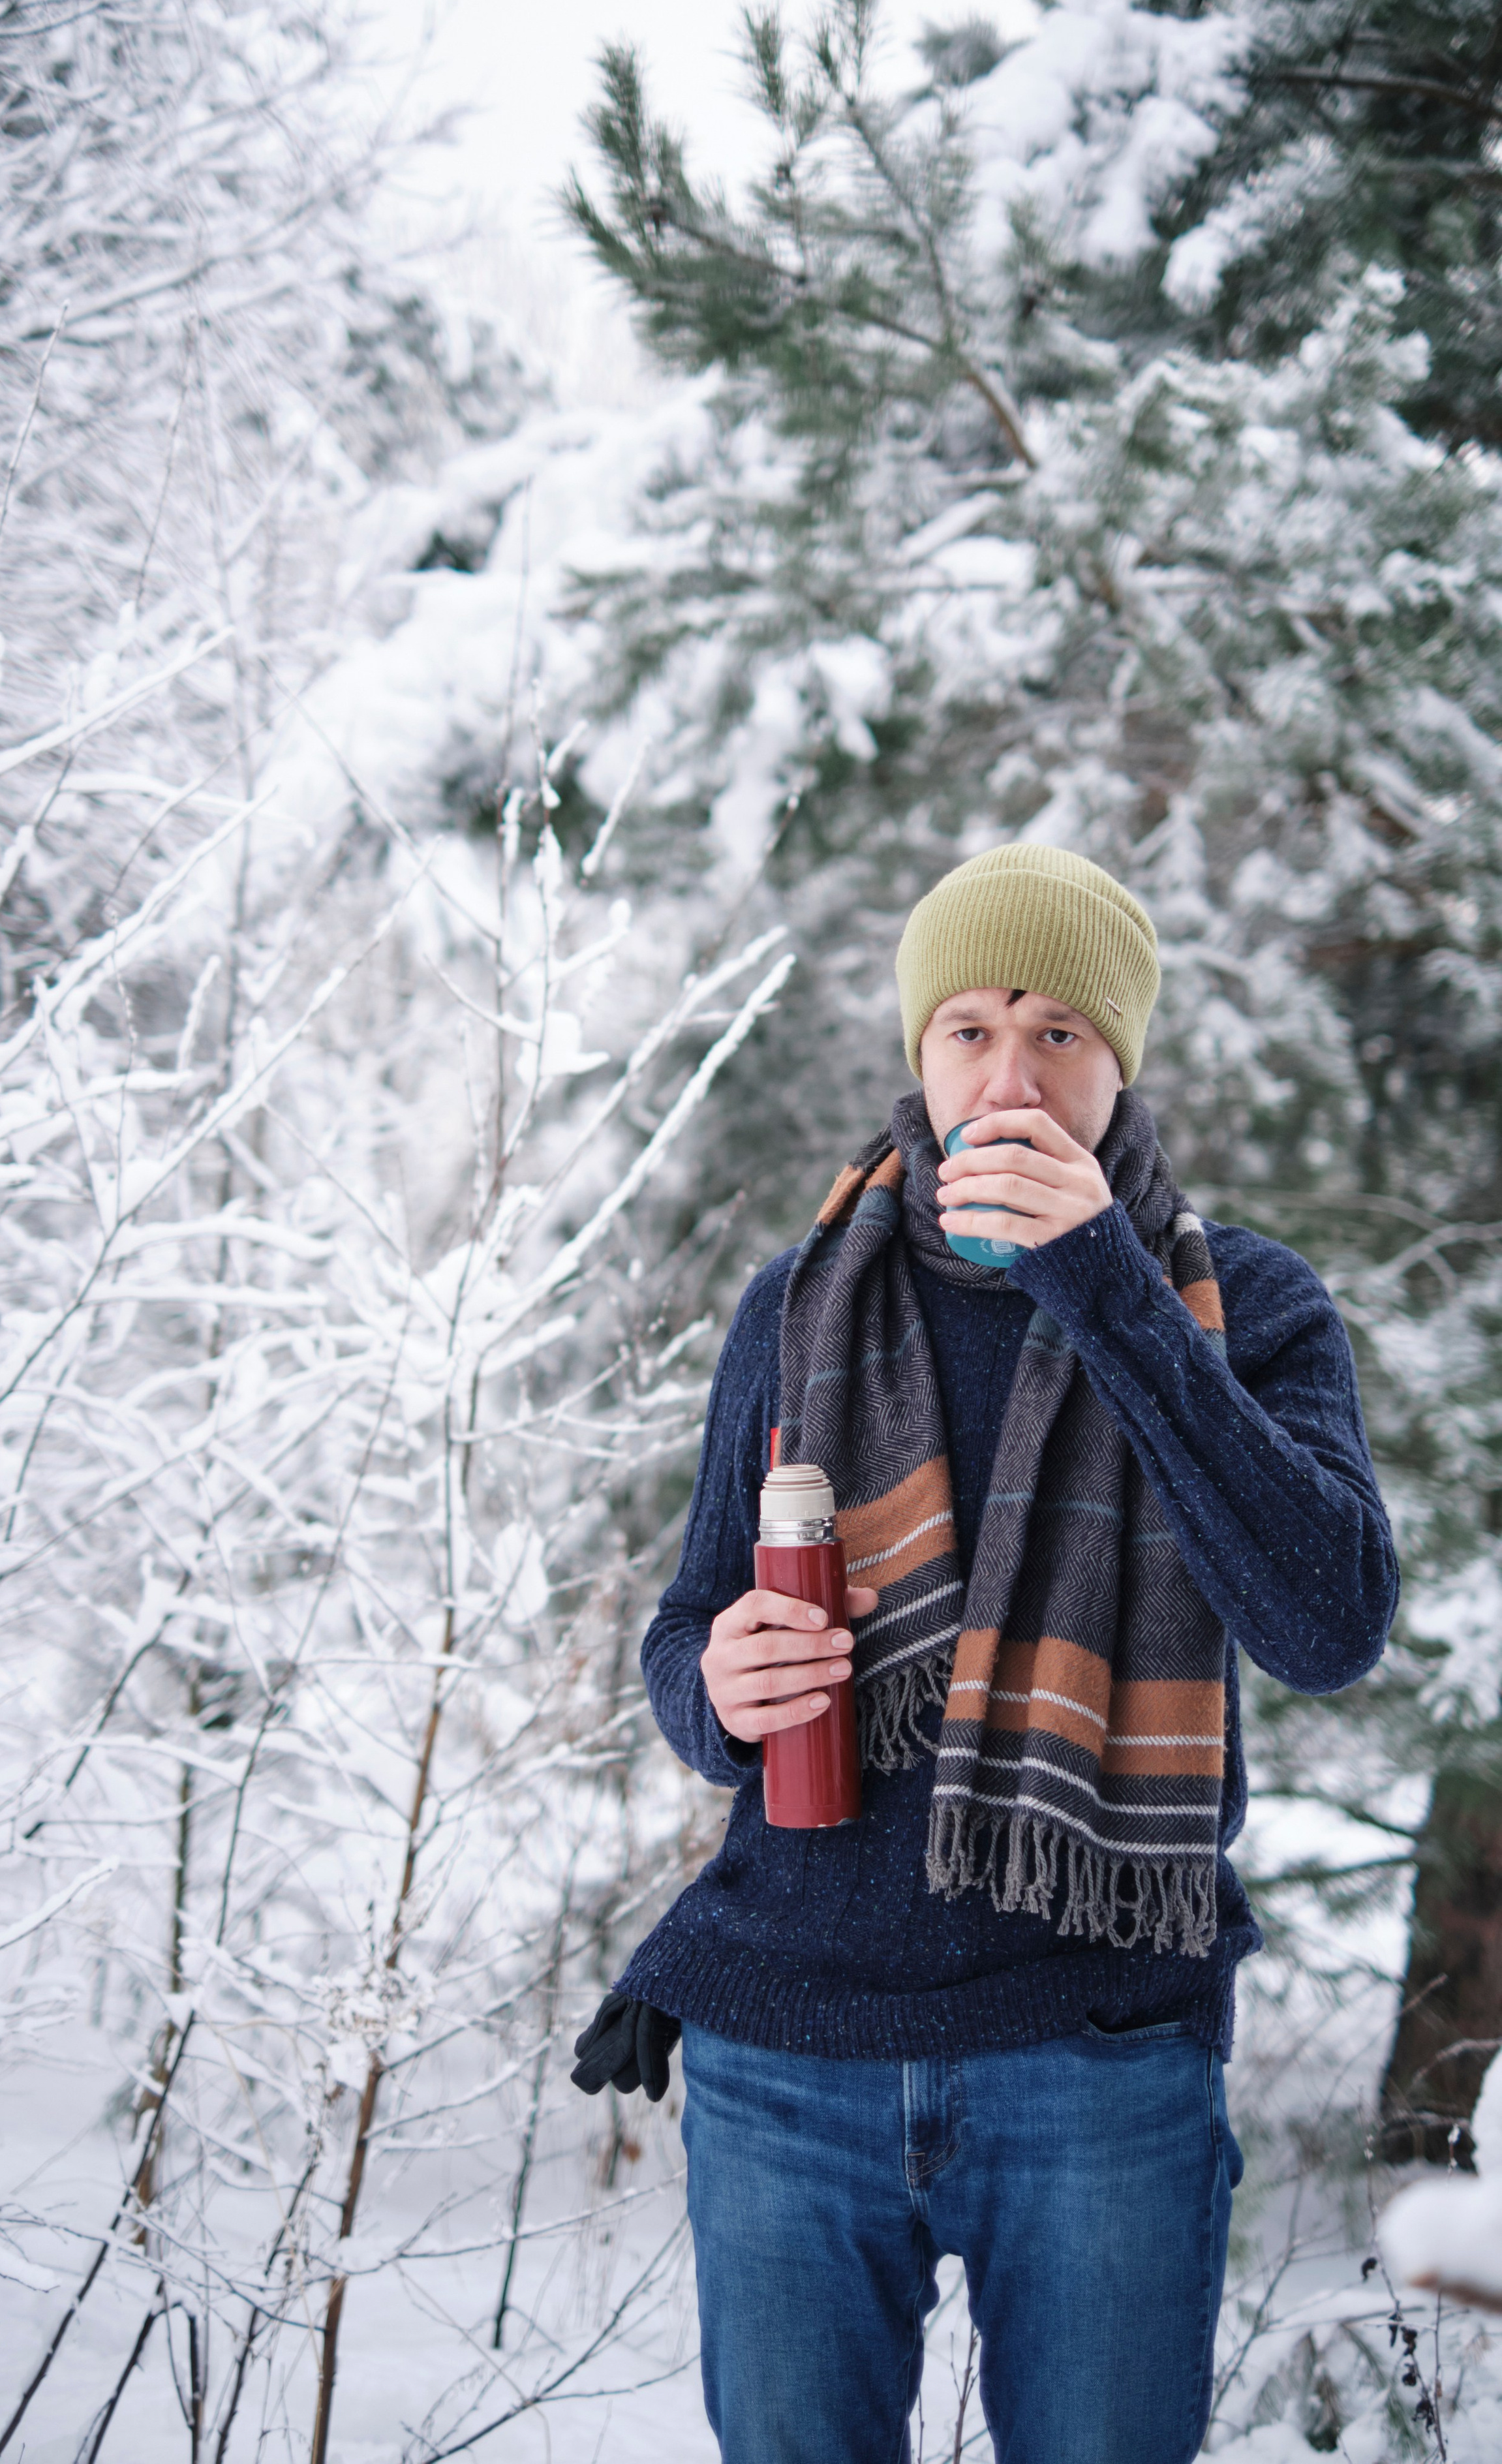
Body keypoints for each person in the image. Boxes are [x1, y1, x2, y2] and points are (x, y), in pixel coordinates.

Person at [571, 843, 1398, 2464]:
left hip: (1093, 2060)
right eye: (963, 1028)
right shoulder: (803, 1300)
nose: (1004, 1072)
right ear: (916, 1052)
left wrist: (1100, 1282)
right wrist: (712, 1688)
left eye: (1054, 1032)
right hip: (785, 2055)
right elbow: (686, 1634)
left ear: (1117, 1060)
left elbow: (1326, 1621)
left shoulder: (1250, 1306)